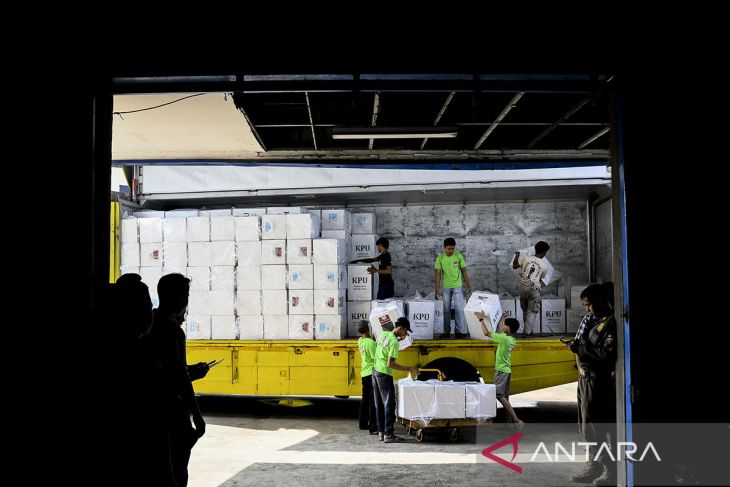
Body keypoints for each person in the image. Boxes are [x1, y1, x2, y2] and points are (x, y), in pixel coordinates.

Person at [144, 273, 207, 487]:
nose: (186, 302)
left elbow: (162, 370)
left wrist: (190, 372)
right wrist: (197, 416)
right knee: (177, 472)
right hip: (172, 413)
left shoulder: (148, 326)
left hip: (152, 412)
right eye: (185, 296)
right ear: (179, 298)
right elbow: (180, 377)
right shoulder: (174, 333)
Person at [569, 283, 618, 486]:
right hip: (586, 377)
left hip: (598, 380)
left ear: (599, 301)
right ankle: (594, 464)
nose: (587, 309)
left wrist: (582, 348)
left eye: (588, 304)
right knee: (585, 424)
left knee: (595, 426)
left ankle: (609, 468)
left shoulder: (611, 323)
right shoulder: (593, 321)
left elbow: (607, 355)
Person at [372, 317, 419, 443]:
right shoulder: (394, 343)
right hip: (384, 374)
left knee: (380, 404)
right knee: (389, 404)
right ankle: (389, 434)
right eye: (405, 331)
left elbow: (386, 344)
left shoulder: (384, 334)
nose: (405, 334)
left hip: (375, 371)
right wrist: (409, 368)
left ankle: (381, 432)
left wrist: (398, 338)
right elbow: (390, 364)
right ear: (401, 328)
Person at [475, 312, 524, 429]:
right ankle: (511, 423)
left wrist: (481, 320)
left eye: (505, 325)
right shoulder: (510, 339)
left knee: (498, 395)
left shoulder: (504, 339)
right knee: (504, 397)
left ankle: (517, 420)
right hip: (506, 370)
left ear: (509, 328)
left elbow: (486, 333)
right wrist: (503, 318)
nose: (502, 327)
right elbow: (502, 330)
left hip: (501, 371)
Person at [434, 237, 473, 338]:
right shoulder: (440, 258)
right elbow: (438, 274)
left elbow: (464, 270)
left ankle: (458, 331)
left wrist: (467, 283)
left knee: (459, 309)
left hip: (457, 286)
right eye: (449, 249)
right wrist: (437, 289)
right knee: (446, 310)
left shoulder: (458, 256)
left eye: (452, 249)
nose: (451, 251)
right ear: (444, 248)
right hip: (446, 287)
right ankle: (446, 332)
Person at [512, 241, 550, 338]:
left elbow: (514, 266)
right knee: (532, 311)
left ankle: (528, 331)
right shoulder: (544, 266)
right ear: (545, 252)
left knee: (525, 310)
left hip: (523, 288)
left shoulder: (526, 258)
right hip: (534, 289)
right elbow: (540, 279)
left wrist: (517, 255)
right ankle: (527, 333)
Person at [357, 320, 378, 434]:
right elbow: (376, 357)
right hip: (371, 373)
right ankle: (373, 426)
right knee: (372, 401)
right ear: (368, 329)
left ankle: (362, 423)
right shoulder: (371, 343)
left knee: (365, 399)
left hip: (364, 372)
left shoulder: (360, 341)